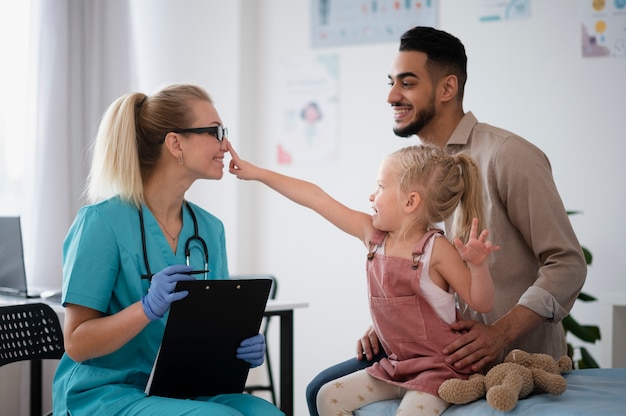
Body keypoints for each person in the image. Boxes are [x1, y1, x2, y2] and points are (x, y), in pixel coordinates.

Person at [305, 26, 587, 415]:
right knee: (318, 391)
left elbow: (567, 265)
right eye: (391, 83)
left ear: (447, 88)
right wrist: (393, 322)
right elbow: (424, 271)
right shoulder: (410, 171)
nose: (391, 95)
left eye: (407, 83)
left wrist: (499, 333)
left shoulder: (510, 157)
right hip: (431, 356)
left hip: (507, 358)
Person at [52, 84, 285, 416]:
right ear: (175, 143)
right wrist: (146, 308)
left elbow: (211, 328)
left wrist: (238, 347)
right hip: (105, 392)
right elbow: (76, 342)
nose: (226, 145)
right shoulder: (101, 223)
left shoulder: (209, 229)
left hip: (181, 389)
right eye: (216, 132)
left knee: (268, 414)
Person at [228, 143, 499, 414]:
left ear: (410, 201)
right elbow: (315, 197)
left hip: (437, 371)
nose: (372, 195)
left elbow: (481, 302)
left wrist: (478, 267)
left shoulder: (437, 249)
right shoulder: (373, 236)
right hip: (396, 366)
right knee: (326, 396)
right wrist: (258, 173)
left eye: (380, 187)